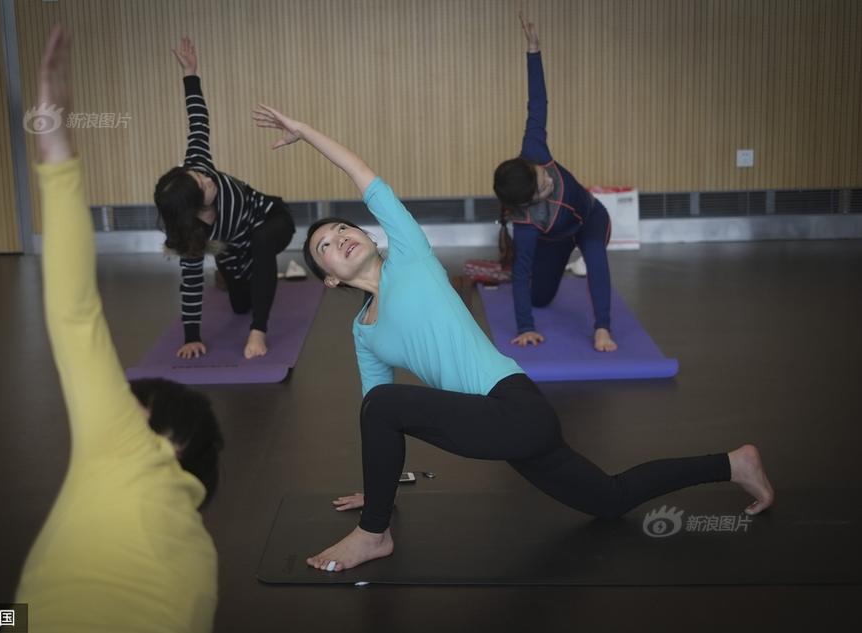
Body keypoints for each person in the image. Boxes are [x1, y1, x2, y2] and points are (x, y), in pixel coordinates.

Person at [252, 104, 775, 573]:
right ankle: (733, 462)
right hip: (491, 424)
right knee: (610, 499)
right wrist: (378, 486)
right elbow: (374, 410)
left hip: (514, 407)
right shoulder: (362, 331)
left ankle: (374, 534)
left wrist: (304, 131)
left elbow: (361, 174)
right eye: (324, 246)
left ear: (371, 234)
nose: (339, 238)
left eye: (344, 229)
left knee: (386, 404)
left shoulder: (410, 257)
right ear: (330, 279)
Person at [15, 26, 223, 631]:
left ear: (167, 437)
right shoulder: (203, 565)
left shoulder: (121, 449)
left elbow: (74, 311)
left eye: (133, 402)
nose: (119, 404)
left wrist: (57, 150)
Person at [154, 37, 295, 360]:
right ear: (194, 209)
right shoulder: (193, 236)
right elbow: (190, 284)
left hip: (270, 218)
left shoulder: (198, 164)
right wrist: (191, 337)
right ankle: (228, 274)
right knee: (240, 305)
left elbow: (198, 120)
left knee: (261, 243)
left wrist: (190, 73)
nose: (208, 178)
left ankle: (258, 330)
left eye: (201, 175)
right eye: (203, 185)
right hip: (231, 249)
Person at [494, 14, 617, 353]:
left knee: (595, 256)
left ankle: (603, 328)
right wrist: (525, 327)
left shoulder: (534, 149)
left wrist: (534, 51)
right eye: (543, 187)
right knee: (540, 298)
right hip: (555, 239)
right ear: (527, 202)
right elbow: (521, 273)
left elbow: (537, 102)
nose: (548, 178)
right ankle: (554, 269)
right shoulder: (527, 224)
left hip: (591, 219)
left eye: (542, 175)